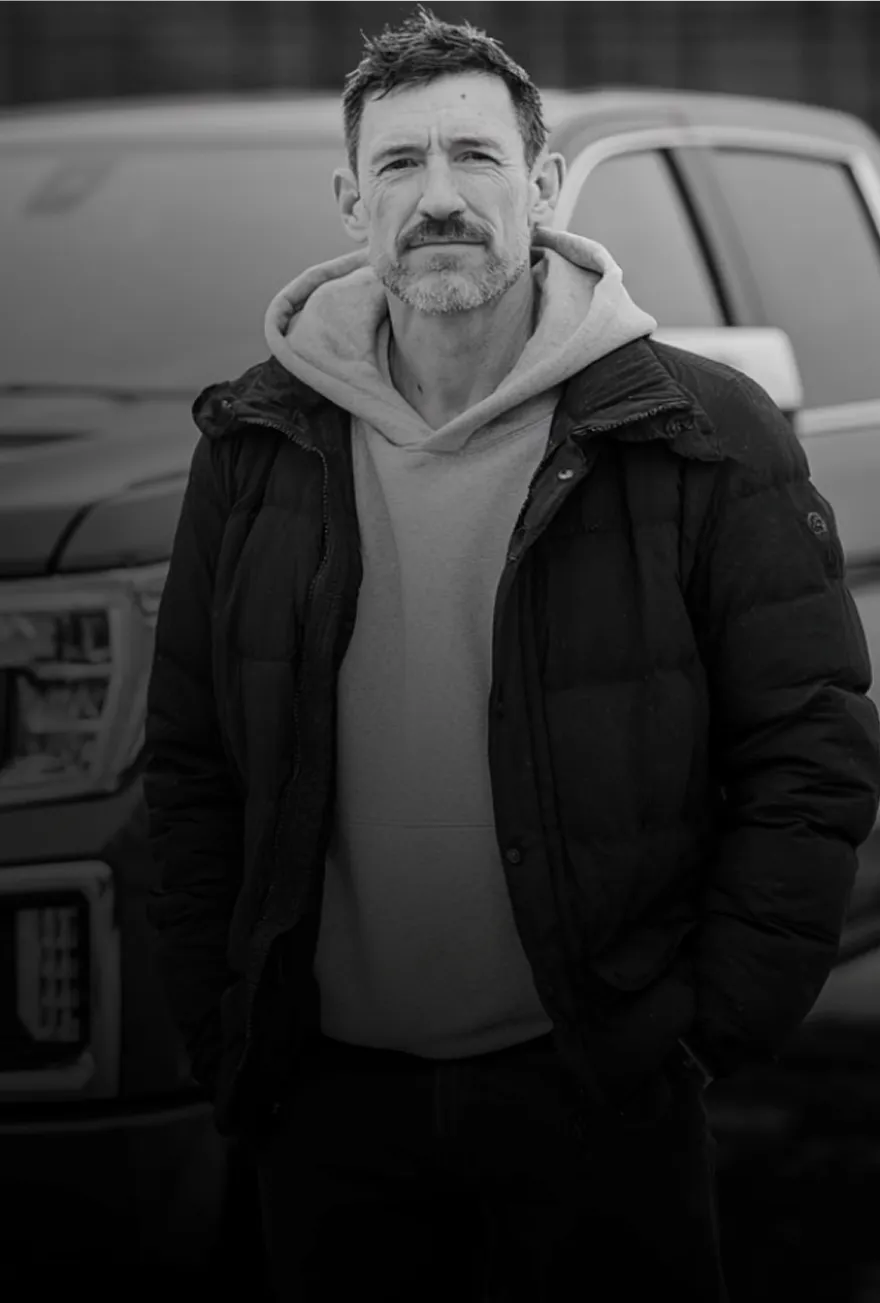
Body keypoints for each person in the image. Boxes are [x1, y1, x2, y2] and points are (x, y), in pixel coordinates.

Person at [143, 8, 880, 1301]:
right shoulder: (251, 450)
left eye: (476, 160)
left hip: (598, 1104)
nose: (440, 198)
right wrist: (227, 1036)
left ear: (539, 186)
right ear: (347, 200)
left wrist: (703, 1028)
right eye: (399, 166)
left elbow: (811, 747)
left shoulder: (700, 435)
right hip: (330, 1120)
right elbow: (195, 767)